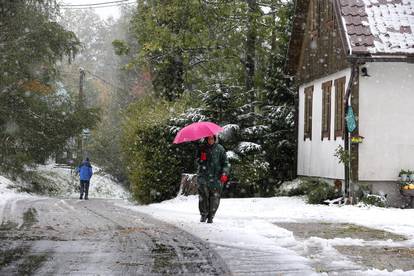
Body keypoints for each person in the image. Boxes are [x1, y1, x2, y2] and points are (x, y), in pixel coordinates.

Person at [196, 135, 229, 223]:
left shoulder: (220, 149)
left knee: (214, 198)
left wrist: (224, 173)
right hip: (203, 176)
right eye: (209, 139)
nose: (210, 140)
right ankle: (203, 214)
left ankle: (211, 216)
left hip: (216, 177)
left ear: (215, 139)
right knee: (203, 196)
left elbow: (225, 163)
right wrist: (202, 159)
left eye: (212, 139)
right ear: (206, 139)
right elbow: (197, 160)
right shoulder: (202, 148)